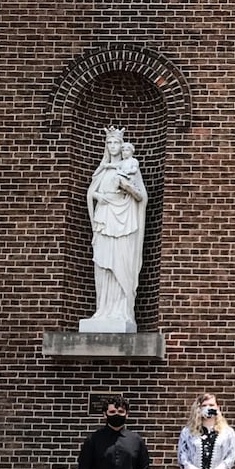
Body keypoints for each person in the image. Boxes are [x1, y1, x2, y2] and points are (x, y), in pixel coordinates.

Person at [84, 127, 147, 330]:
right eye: (109, 143)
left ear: (123, 146)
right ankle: (102, 309)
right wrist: (98, 197)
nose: (113, 146)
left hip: (126, 220)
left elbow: (141, 197)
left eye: (116, 143)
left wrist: (127, 188)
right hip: (104, 218)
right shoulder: (103, 170)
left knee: (122, 261)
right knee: (103, 264)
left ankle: (123, 310)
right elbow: (91, 193)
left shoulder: (131, 168)